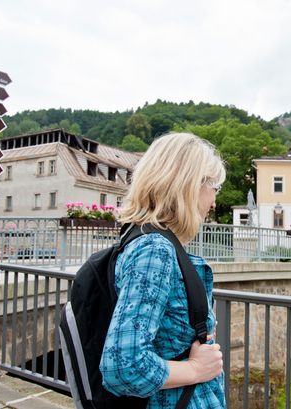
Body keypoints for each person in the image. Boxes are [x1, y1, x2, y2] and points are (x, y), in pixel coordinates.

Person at [100, 132, 226, 408]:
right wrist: (196, 369)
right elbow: (122, 367)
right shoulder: (155, 249)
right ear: (191, 185)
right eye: (214, 187)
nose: (214, 202)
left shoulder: (145, 241)